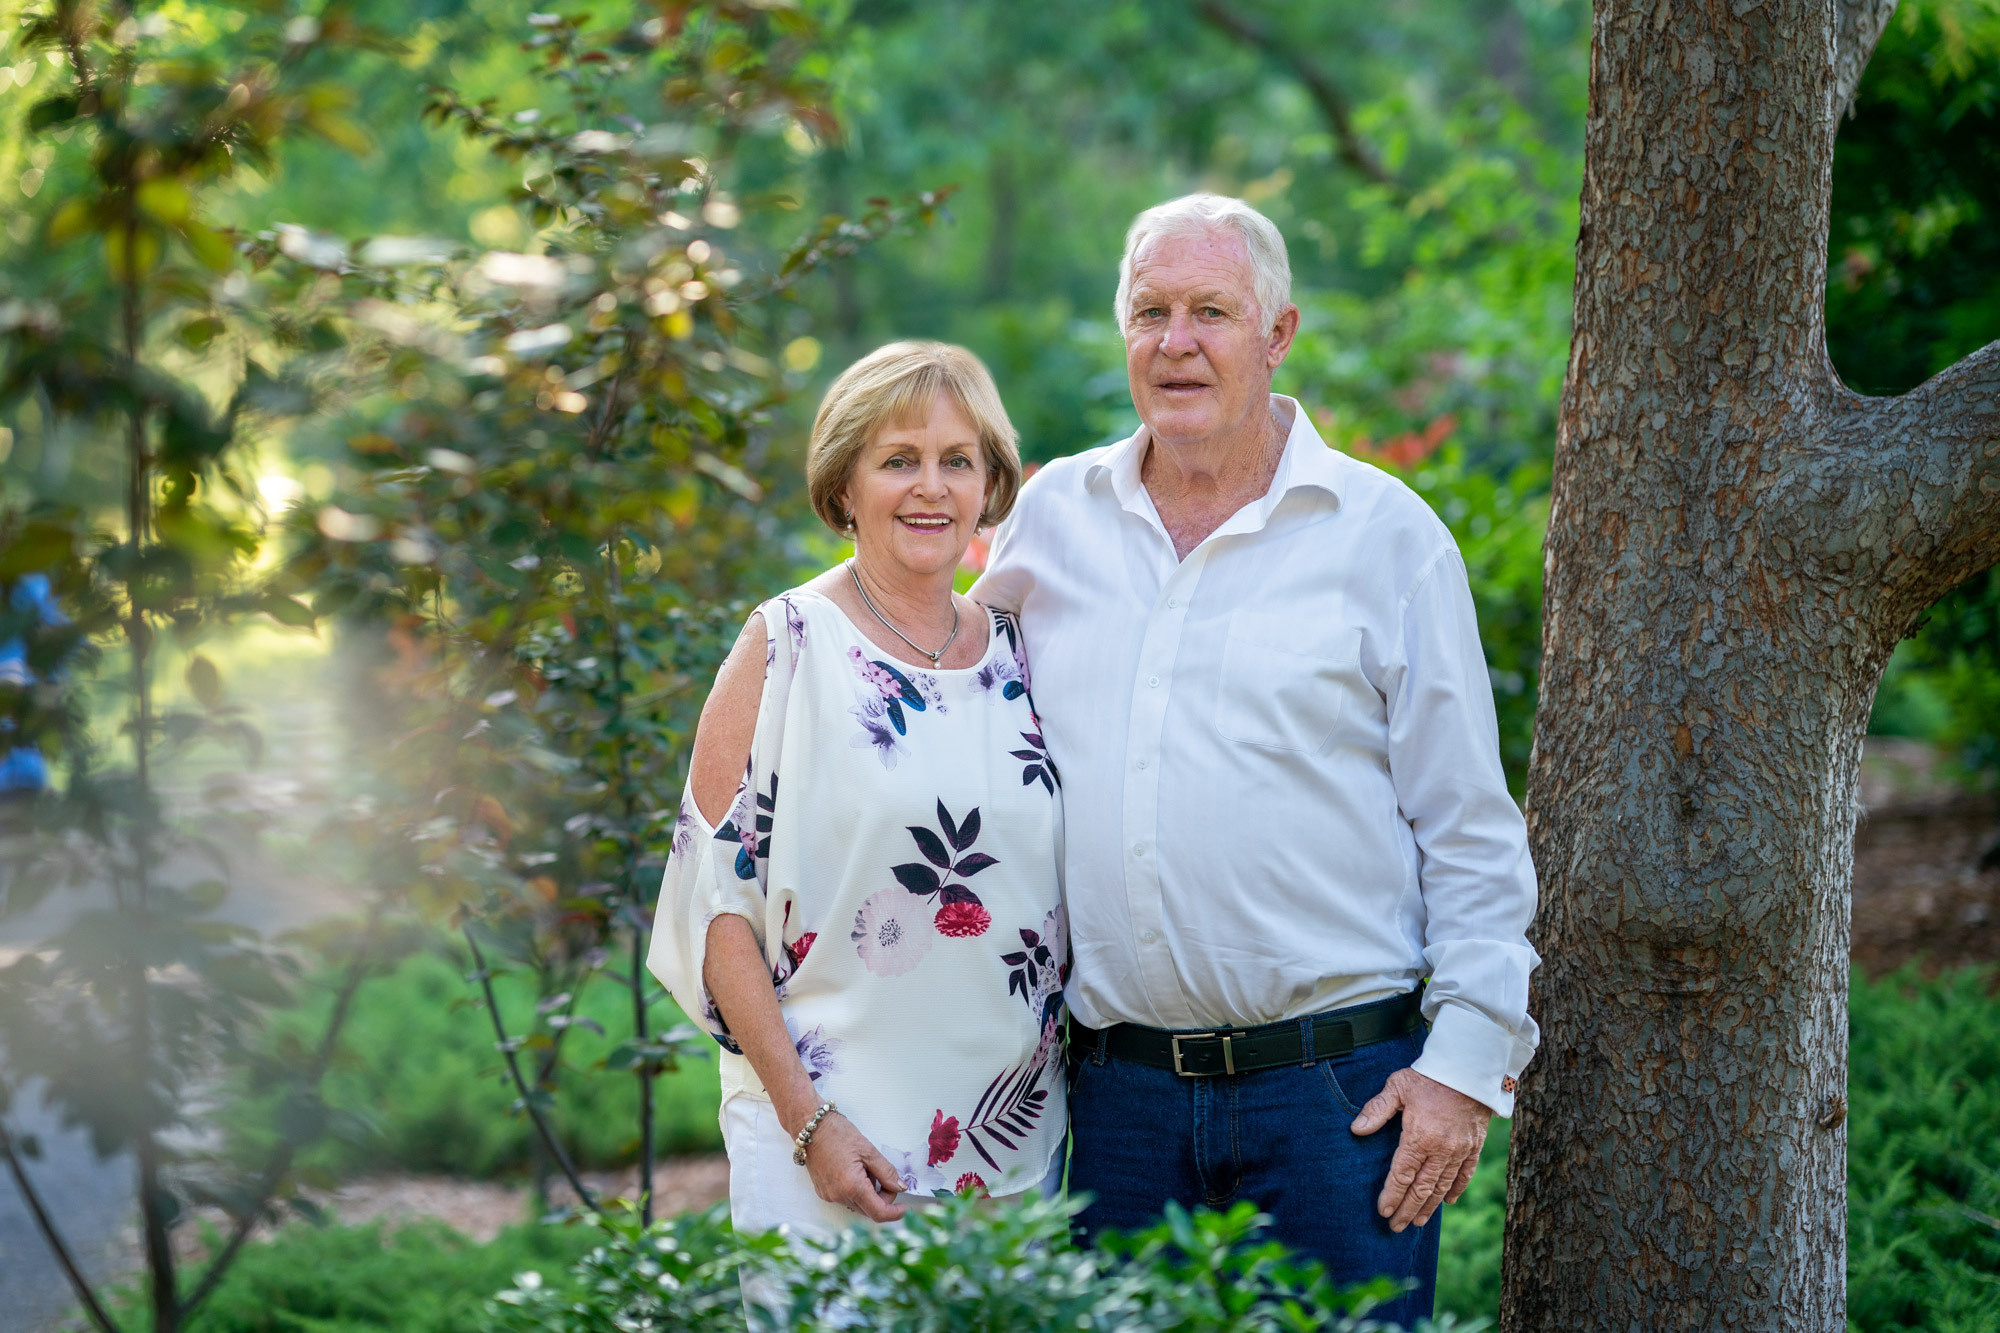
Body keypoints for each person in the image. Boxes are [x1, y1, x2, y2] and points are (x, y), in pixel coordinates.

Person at [971, 193, 1539, 1326]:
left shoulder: (1385, 539)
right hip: (1115, 1103)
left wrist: (1461, 1070)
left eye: (1210, 312)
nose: (1175, 343)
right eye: (1149, 312)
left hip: (1337, 1102)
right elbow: (946, 712)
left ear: (1277, 335)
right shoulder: (1050, 523)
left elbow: (1467, 828)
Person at [646, 341, 1067, 1248]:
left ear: (990, 484)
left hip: (1013, 1153)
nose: (932, 487)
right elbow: (715, 913)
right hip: (830, 1153)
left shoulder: (1020, 651)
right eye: (898, 460)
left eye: (958, 461)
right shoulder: (787, 645)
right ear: (845, 486)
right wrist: (810, 1124)